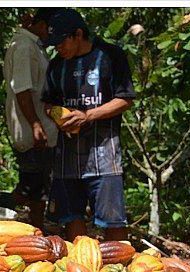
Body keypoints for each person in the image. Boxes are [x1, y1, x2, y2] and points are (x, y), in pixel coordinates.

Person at [41, 9, 136, 241]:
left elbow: (125, 99)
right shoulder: (56, 66)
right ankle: (78, 268)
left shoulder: (111, 56)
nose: (58, 49)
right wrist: (58, 115)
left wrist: (88, 115)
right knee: (70, 218)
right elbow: (47, 102)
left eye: (61, 42)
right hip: (67, 159)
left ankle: (120, 267)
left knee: (113, 220)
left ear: (78, 34)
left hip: (105, 158)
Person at [3, 9, 61, 228]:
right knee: (32, 192)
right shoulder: (24, 47)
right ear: (41, 24)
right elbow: (23, 90)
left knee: (38, 189)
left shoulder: (33, 45)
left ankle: (36, 231)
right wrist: (36, 125)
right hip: (34, 131)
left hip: (40, 128)